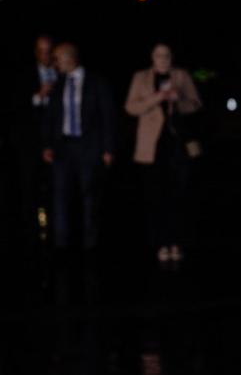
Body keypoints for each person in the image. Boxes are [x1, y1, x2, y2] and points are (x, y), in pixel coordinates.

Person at [124, 43, 202, 263]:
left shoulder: (181, 76)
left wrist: (180, 101)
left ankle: (176, 241)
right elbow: (131, 107)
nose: (163, 59)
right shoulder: (141, 78)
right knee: (156, 196)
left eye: (167, 55)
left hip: (177, 145)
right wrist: (156, 98)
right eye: (159, 55)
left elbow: (195, 103)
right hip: (152, 147)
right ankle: (160, 242)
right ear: (152, 57)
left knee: (178, 195)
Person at [43, 42, 115, 251]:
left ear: (69, 58)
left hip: (89, 146)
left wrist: (109, 148)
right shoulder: (58, 84)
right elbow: (51, 117)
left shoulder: (97, 82)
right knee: (60, 196)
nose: (55, 63)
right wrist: (47, 145)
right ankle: (62, 247)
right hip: (64, 147)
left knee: (89, 197)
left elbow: (107, 116)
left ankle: (90, 246)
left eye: (57, 58)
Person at [9, 35, 57, 251]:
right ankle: (30, 235)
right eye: (42, 51)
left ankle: (57, 230)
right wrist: (38, 96)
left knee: (56, 187)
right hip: (30, 143)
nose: (46, 55)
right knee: (30, 187)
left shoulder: (62, 72)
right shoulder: (24, 75)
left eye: (49, 50)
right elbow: (15, 106)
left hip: (57, 142)